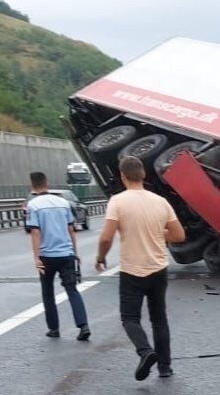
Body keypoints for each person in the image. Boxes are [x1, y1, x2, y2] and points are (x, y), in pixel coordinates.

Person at [96, 156, 186, 380]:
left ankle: (145, 351)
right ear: (143, 175)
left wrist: (100, 257)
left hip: (132, 270)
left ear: (122, 176)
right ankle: (165, 367)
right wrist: (158, 233)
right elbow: (179, 235)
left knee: (129, 318)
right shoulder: (160, 202)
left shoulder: (117, 201)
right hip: (158, 268)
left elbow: (106, 238)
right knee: (159, 319)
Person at [26, 172, 90, 341]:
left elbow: (35, 232)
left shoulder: (33, 205)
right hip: (66, 254)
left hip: (46, 256)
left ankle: (54, 328)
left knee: (47, 292)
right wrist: (75, 253)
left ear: (32, 187)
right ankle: (83, 325)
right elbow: (71, 230)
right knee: (72, 290)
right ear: (47, 183)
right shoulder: (63, 202)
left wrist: (36, 257)